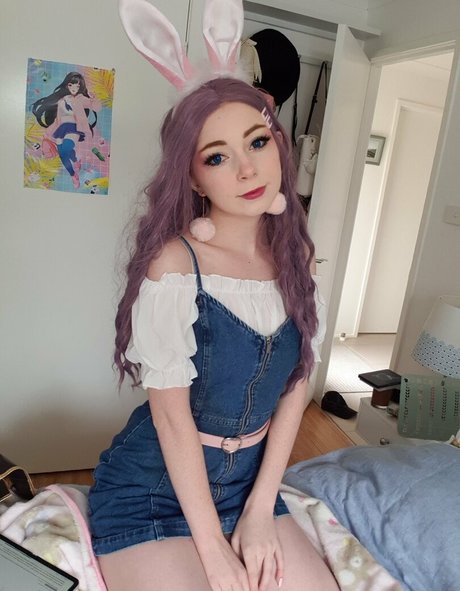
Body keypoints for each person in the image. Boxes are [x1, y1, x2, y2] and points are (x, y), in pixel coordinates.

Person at [88, 1, 336, 590]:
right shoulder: (176, 267)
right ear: (192, 175)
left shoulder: (297, 258)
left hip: (249, 487)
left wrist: (260, 509)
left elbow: (296, 386)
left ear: (278, 143)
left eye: (258, 142)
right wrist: (214, 552)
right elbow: (171, 419)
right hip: (152, 491)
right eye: (218, 156)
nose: (247, 169)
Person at [31, 71, 101, 189]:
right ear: (67, 85)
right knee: (63, 154)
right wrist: (47, 134)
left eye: (77, 86)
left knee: (65, 149)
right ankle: (74, 169)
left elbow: (97, 108)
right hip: (61, 129)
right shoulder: (61, 101)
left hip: (74, 128)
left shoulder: (81, 99)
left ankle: (73, 172)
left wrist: (94, 99)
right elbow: (57, 121)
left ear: (80, 87)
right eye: (71, 85)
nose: (74, 88)